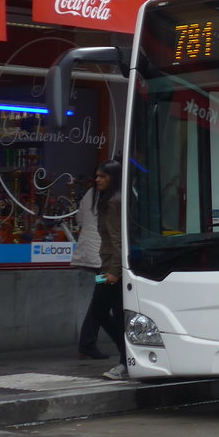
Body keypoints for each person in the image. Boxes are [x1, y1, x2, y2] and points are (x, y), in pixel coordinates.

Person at [93, 160, 129, 381]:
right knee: (101, 313)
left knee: (108, 313)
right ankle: (127, 357)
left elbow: (118, 240)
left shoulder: (115, 202)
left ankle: (125, 361)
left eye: (102, 176)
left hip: (113, 270)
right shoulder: (107, 201)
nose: (97, 180)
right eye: (96, 176)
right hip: (105, 267)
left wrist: (115, 271)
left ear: (113, 178)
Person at [72, 180, 109, 360]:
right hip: (103, 258)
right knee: (101, 299)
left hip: (94, 255)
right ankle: (87, 343)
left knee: (103, 298)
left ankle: (87, 343)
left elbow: (79, 218)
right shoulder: (113, 193)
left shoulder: (90, 193)